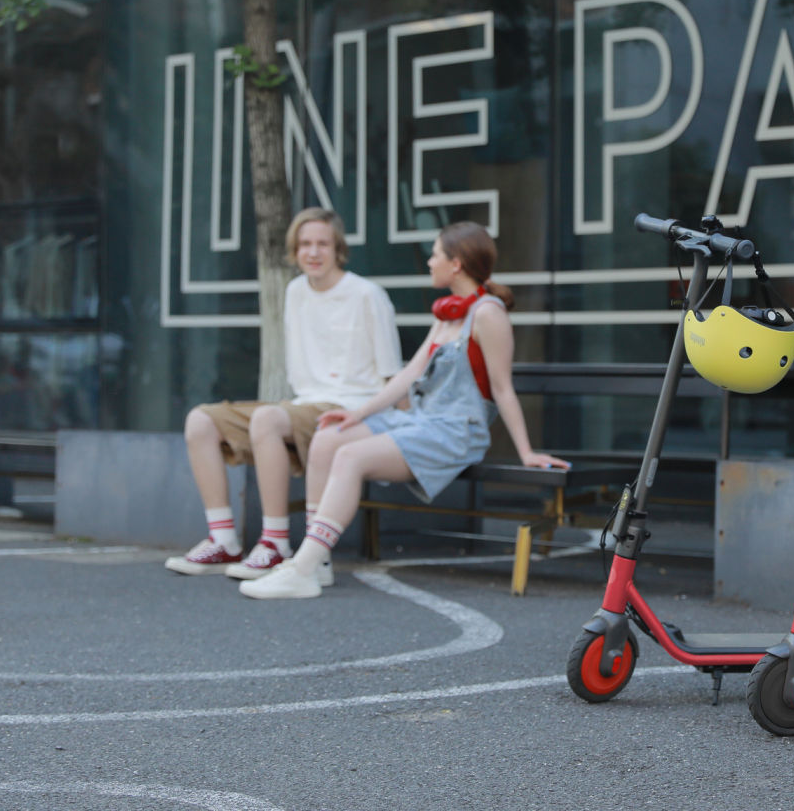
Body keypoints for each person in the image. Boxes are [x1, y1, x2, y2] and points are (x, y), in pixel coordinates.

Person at [241, 220, 569, 599]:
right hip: (419, 420)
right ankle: (320, 563)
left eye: (435, 255)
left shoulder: (487, 314)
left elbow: (502, 389)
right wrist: (358, 414)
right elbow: (409, 374)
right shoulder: (448, 313)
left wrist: (526, 452)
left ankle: (302, 568)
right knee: (331, 436)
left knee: (350, 456)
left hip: (455, 430)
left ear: (456, 264)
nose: (430, 262)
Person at [166, 208, 403, 579]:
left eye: (322, 244)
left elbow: (393, 374)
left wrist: (401, 431)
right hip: (303, 405)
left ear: (338, 248)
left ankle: (276, 544)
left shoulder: (367, 295)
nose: (313, 252)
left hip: (351, 407)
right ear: (294, 250)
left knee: (268, 418)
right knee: (200, 421)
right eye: (305, 244)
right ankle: (223, 539)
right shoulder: (295, 292)